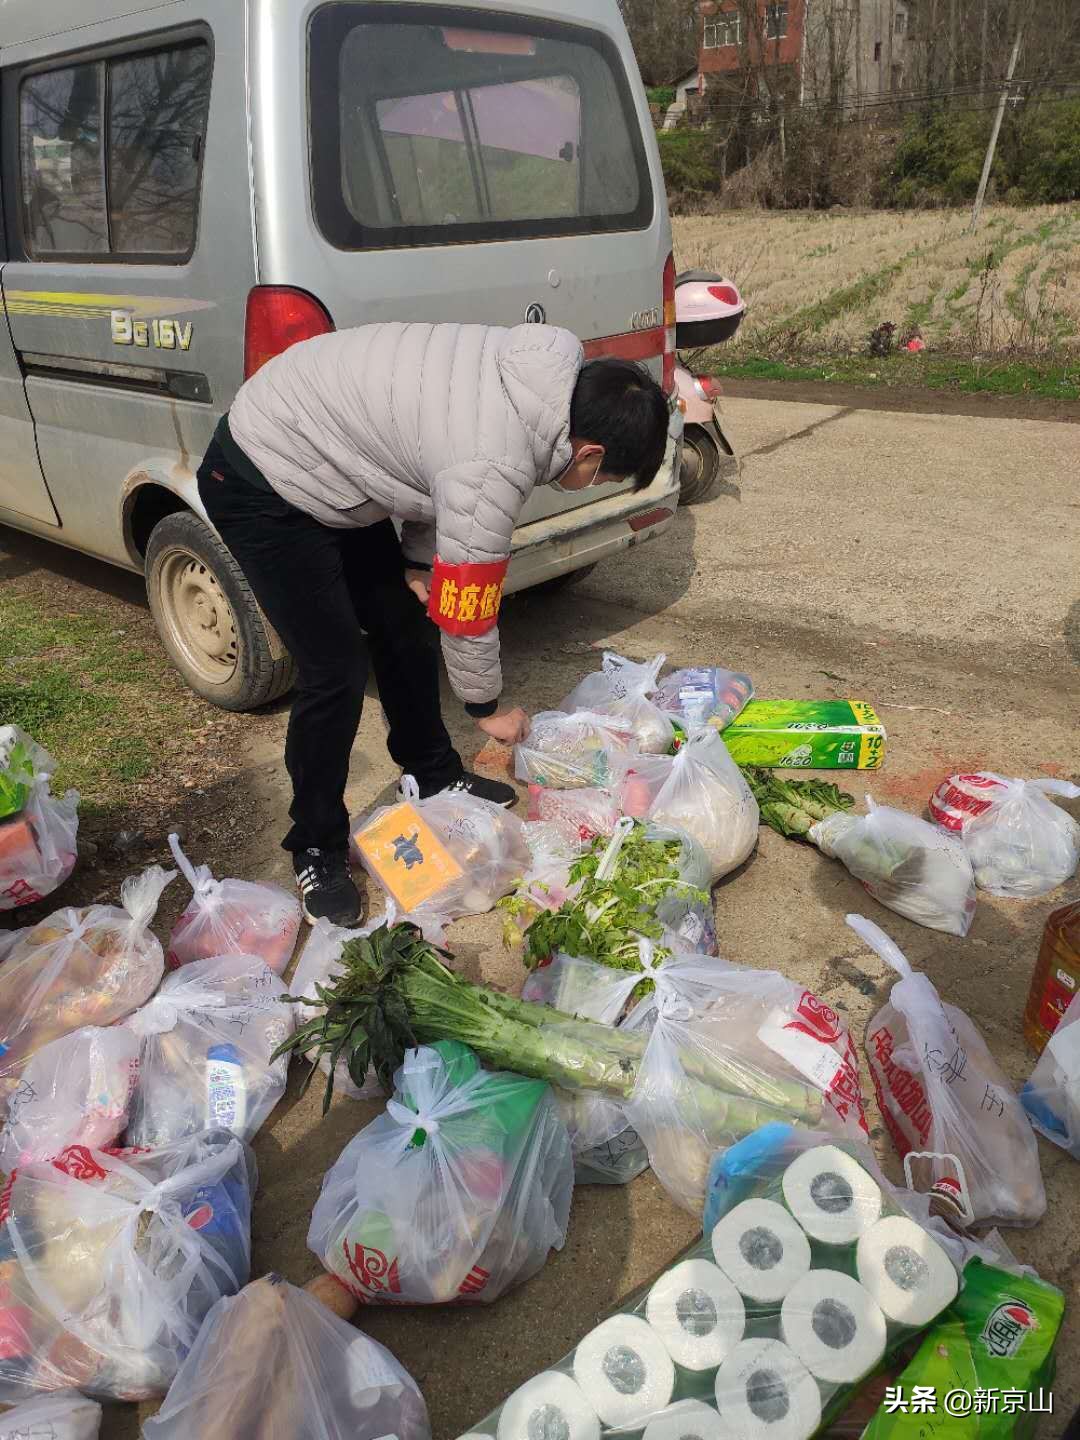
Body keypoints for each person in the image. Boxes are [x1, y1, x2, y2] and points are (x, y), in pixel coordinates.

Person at [197, 321, 670, 925]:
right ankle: (315, 843)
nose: (590, 486)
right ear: (590, 453)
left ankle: (432, 770)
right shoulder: (498, 452)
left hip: (338, 463)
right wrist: (486, 708)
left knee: (402, 620)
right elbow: (471, 599)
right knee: (334, 667)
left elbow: (429, 477)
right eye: (601, 478)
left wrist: (420, 563)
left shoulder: (536, 389)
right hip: (263, 472)